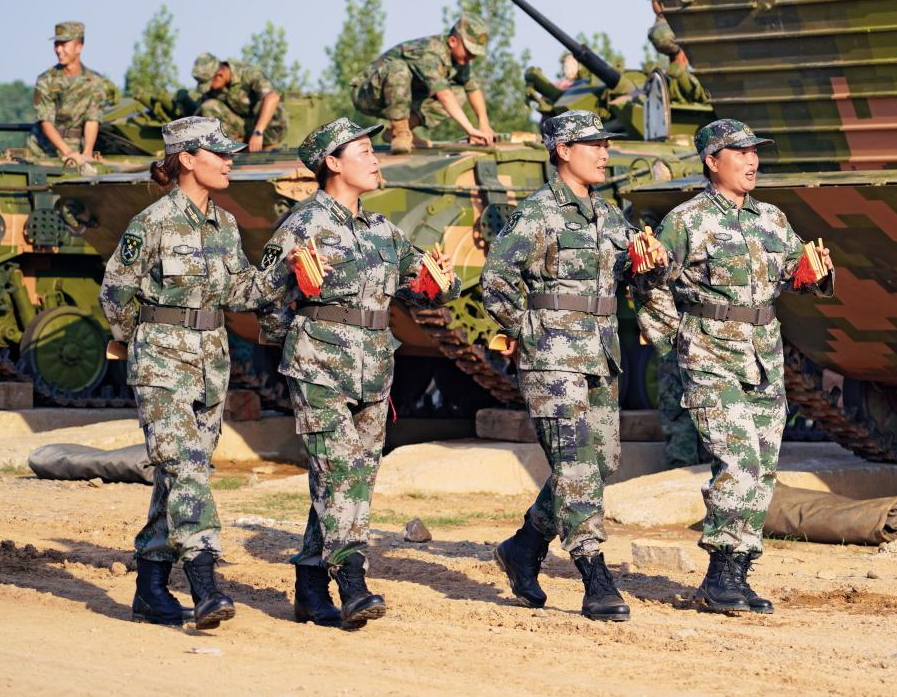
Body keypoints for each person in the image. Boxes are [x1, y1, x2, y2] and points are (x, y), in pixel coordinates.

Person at [255, 117, 460, 629]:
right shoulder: (302, 225)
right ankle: (352, 581)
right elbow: (263, 299)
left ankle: (309, 586)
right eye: (363, 151)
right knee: (340, 471)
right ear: (332, 162)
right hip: (320, 365)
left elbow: (423, 286)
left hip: (375, 366)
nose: (375, 159)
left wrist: (441, 282)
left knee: (353, 478)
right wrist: (299, 325)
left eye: (374, 150)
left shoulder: (381, 229)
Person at [637, 118, 834, 614]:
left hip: (764, 356)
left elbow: (796, 273)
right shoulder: (686, 220)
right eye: (740, 152)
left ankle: (740, 571)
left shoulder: (771, 218)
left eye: (754, 152)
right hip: (710, 356)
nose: (752, 161)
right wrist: (671, 338)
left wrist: (814, 274)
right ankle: (720, 572)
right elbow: (650, 280)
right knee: (739, 461)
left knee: (763, 467)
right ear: (711, 161)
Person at [482, 109, 666, 622]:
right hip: (553, 360)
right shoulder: (538, 213)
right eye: (594, 145)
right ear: (563, 151)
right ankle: (594, 574)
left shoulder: (608, 214)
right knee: (577, 466)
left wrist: (650, 265)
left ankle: (524, 547)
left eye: (606, 144)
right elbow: (496, 280)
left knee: (600, 462)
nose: (605, 154)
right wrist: (531, 333)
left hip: (601, 354)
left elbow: (632, 274)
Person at [99, 116, 267, 630]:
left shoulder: (226, 225)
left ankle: (150, 587)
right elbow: (115, 292)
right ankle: (205, 585)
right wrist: (142, 341)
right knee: (186, 468)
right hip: (161, 362)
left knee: (181, 473)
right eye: (218, 153)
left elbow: (241, 292)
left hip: (212, 361)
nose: (229, 161)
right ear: (187, 160)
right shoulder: (151, 222)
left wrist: (286, 276)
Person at [350, 15, 495, 153]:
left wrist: (484, 124)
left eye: (474, 54)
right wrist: (469, 129)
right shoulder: (430, 53)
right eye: (469, 51)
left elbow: (473, 87)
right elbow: (444, 95)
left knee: (458, 93)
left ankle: (395, 131)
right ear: (452, 41)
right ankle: (400, 132)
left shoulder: (459, 59)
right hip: (369, 94)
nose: (471, 57)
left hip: (402, 98)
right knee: (399, 68)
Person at [30, 21, 113, 168]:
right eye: (56, 44)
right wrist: (68, 153)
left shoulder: (95, 82)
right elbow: (45, 121)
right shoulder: (46, 80)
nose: (58, 50)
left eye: (63, 44)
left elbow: (92, 119)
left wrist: (86, 154)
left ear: (79, 47)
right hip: (43, 152)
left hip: (77, 151)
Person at [190, 54, 287, 151]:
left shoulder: (248, 73)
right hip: (242, 128)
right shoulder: (214, 89)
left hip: (264, 128)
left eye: (209, 84)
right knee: (209, 106)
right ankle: (234, 148)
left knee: (269, 103)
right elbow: (201, 113)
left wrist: (258, 132)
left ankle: (268, 145)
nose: (210, 88)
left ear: (220, 75)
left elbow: (273, 97)